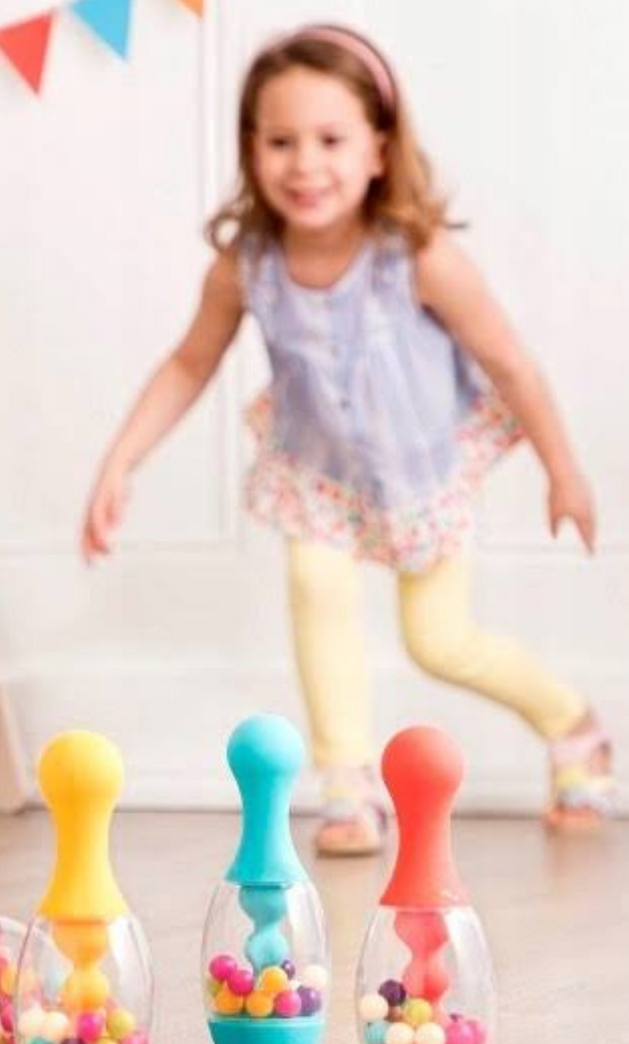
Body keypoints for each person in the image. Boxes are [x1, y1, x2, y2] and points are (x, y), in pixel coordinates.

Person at [80, 23, 612, 853]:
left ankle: (571, 724)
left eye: (331, 139)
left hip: (422, 472)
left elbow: (510, 363)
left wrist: (564, 472)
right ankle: (347, 782)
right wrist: (121, 460)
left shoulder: (417, 256)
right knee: (317, 585)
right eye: (280, 141)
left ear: (378, 149)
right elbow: (188, 364)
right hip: (318, 471)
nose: (305, 163)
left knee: (440, 642)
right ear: (250, 150)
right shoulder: (245, 264)